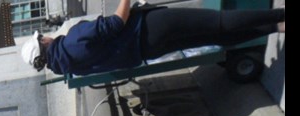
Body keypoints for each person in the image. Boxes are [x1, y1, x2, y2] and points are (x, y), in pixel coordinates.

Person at [20, 0, 284, 76]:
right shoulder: (71, 41)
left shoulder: (70, 67)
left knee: (210, 38)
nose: (46, 36)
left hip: (149, 49)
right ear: (43, 44)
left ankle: (277, 28)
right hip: (149, 28)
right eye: (42, 37)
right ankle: (279, 14)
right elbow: (115, 23)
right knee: (217, 22)